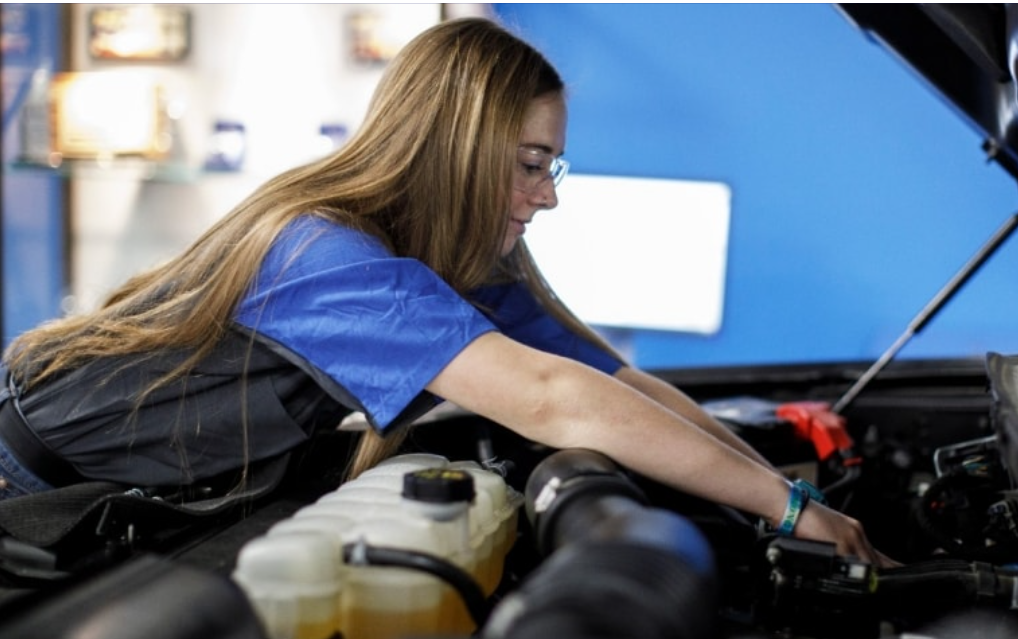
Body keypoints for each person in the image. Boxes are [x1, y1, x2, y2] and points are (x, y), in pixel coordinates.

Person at [0, 17, 894, 567]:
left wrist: (781, 488)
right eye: (533, 165)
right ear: (459, 147)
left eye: (554, 166)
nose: (548, 194)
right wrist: (786, 509)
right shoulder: (330, 256)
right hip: (26, 484)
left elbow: (612, 385)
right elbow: (554, 399)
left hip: (133, 492)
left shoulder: (454, 264)